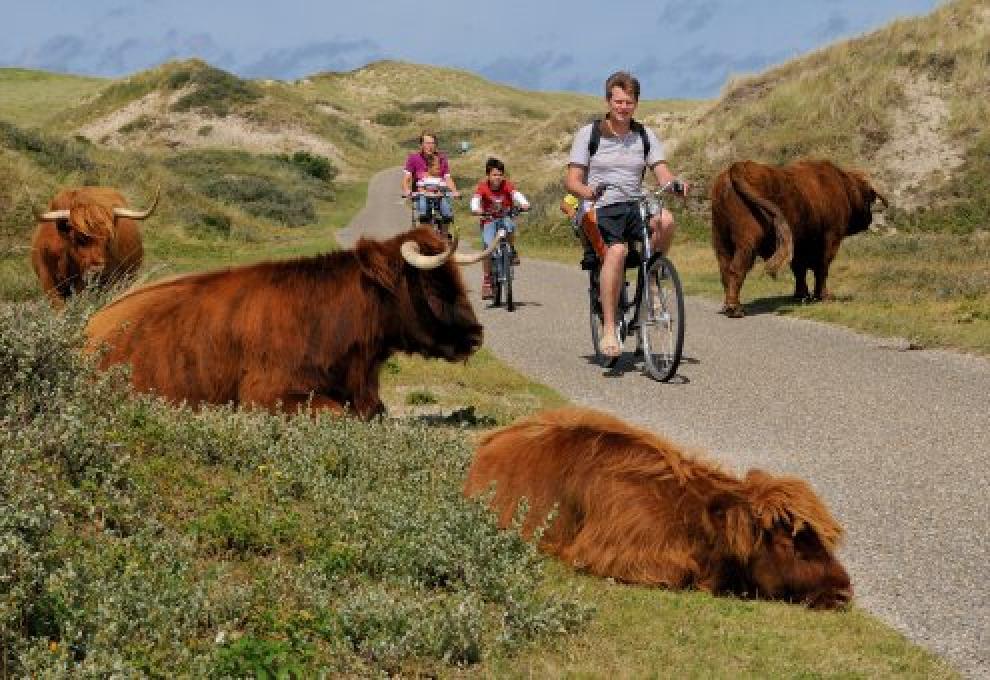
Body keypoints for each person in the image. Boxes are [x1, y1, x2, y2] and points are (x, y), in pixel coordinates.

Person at [564, 71, 689, 363]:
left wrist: (675, 185)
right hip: (601, 206)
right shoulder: (589, 134)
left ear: (636, 103)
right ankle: (609, 327)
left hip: (634, 203)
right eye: (618, 101)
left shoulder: (644, 135)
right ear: (608, 101)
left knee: (666, 220)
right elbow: (572, 181)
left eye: (629, 102)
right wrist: (588, 191)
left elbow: (661, 172)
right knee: (617, 252)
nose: (623, 107)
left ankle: (653, 283)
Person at [470, 157, 530, 299]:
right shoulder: (483, 187)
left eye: (500, 174)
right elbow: (476, 199)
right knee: (487, 249)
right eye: (494, 174)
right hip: (489, 221)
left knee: (510, 225)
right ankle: (487, 282)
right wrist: (476, 209)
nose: (497, 177)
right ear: (488, 175)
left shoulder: (507, 185)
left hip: (504, 217)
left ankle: (512, 250)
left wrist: (524, 203)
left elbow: (516, 194)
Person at [401, 132, 460, 228]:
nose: (430, 146)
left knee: (446, 212)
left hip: (439, 193)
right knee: (424, 214)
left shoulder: (441, 158)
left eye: (432, 143)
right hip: (421, 194)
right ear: (421, 145)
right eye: (427, 143)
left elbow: (447, 178)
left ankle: (444, 235)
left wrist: (454, 191)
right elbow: (406, 179)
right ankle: (426, 234)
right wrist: (406, 190)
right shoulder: (413, 158)